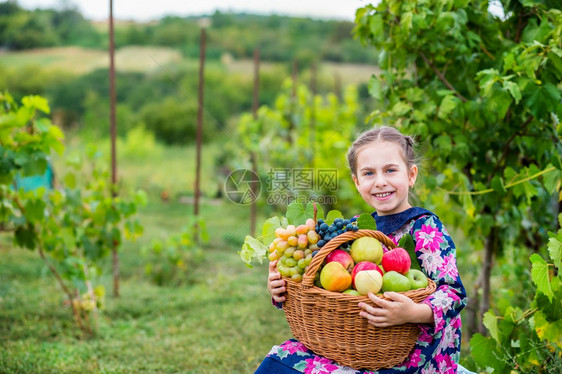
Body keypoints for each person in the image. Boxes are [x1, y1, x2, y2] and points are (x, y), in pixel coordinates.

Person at [256, 126, 468, 373]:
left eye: (390, 170)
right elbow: (325, 288)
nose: (380, 182)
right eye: (368, 173)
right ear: (357, 182)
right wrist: (281, 290)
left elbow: (453, 293)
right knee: (279, 360)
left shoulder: (425, 227)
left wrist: (413, 312)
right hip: (355, 344)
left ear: (411, 175)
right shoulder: (357, 227)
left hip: (412, 352)